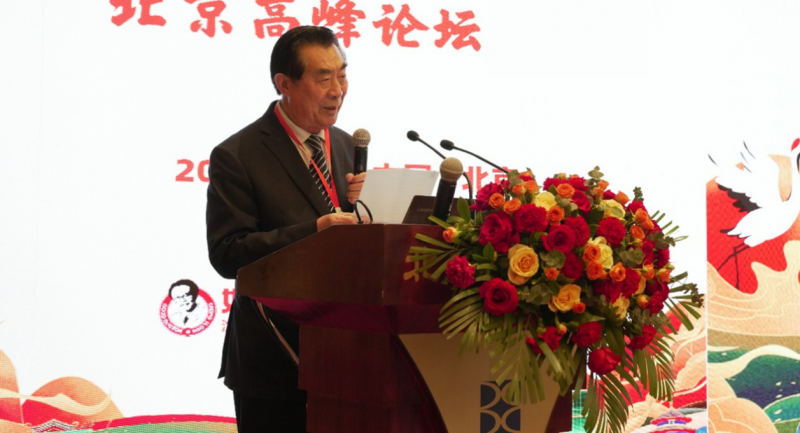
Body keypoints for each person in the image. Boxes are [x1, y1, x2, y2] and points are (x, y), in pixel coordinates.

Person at [205, 26, 366, 432]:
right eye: (323, 78)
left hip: (346, 354)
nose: (338, 90)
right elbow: (228, 252)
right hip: (274, 358)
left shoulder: (346, 145)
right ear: (285, 83)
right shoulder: (237, 155)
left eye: (342, 75)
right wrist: (316, 230)